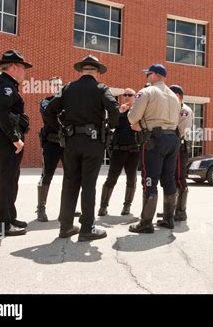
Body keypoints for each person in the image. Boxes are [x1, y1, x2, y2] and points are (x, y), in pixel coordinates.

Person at [44, 55, 125, 241]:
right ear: (96, 72)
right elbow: (114, 109)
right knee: (88, 184)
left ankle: (65, 227)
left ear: (81, 71)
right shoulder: (101, 88)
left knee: (70, 183)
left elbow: (49, 111)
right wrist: (110, 126)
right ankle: (87, 228)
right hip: (93, 142)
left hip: (71, 142)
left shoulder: (67, 88)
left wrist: (61, 129)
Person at [0, 50, 32, 237]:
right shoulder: (5, 86)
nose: (24, 72)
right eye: (22, 68)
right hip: (3, 138)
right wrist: (14, 138)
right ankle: (0, 225)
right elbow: (1, 114)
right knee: (5, 181)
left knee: (10, 179)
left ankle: (9, 217)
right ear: (13, 67)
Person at [128, 64, 181, 233]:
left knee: (149, 178)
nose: (146, 77)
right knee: (169, 178)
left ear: (155, 75)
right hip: (173, 139)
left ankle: (146, 223)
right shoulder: (174, 96)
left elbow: (133, 117)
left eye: (148, 74)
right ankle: (168, 219)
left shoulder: (147, 92)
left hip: (154, 140)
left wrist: (135, 119)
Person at [98, 88, 141, 216]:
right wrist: (117, 112)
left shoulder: (138, 113)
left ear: (135, 98)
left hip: (133, 151)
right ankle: (103, 206)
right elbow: (110, 125)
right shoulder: (118, 111)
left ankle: (127, 206)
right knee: (111, 178)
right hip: (118, 150)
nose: (126, 97)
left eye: (130, 95)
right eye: (125, 95)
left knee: (131, 179)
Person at [35, 77, 64, 222]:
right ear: (49, 88)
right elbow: (49, 115)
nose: (57, 87)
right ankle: (41, 208)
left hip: (66, 144)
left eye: (59, 85)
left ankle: (67, 208)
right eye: (54, 85)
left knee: (71, 176)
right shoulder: (46, 101)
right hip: (51, 143)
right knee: (46, 175)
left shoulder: (68, 103)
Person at [169, 85, 194, 222]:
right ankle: (171, 209)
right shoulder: (171, 108)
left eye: (173, 94)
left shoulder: (184, 110)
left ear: (179, 96)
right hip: (171, 146)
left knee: (179, 178)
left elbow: (181, 129)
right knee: (170, 178)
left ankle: (181, 211)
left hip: (180, 147)